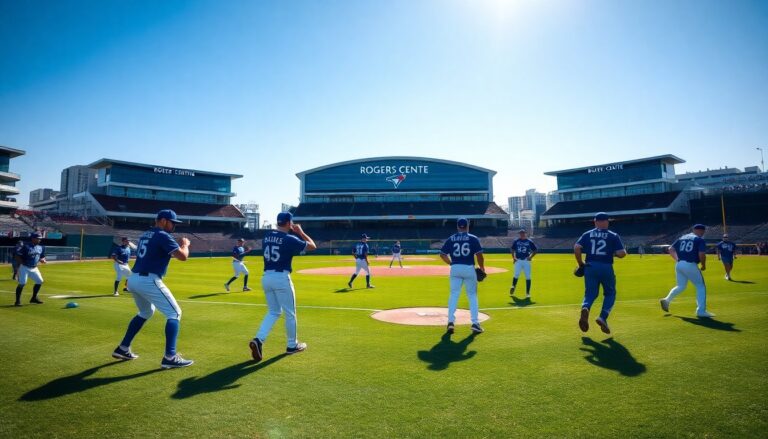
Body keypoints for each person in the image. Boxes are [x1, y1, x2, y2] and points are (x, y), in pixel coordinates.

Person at [111, 209, 194, 369]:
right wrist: (185, 245)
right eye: (172, 223)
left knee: (146, 312)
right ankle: (170, 356)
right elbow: (183, 256)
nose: (174, 226)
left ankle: (123, 348)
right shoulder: (162, 235)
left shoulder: (146, 234)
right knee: (175, 313)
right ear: (163, 220)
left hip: (134, 278)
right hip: (148, 279)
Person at [249, 212, 317, 362]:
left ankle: (259, 340)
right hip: (281, 278)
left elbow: (276, 239)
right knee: (290, 313)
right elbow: (313, 246)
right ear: (289, 223)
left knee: (273, 311)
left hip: (266, 277)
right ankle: (292, 345)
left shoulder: (267, 236)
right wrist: (301, 232)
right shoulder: (289, 238)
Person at [574, 212, 627, 334]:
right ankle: (602, 317)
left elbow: (577, 247)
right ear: (606, 222)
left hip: (590, 266)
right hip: (606, 266)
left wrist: (581, 263)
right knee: (610, 293)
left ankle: (585, 307)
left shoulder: (587, 234)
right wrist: (613, 253)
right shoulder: (613, 235)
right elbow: (622, 253)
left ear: (595, 222)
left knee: (590, 293)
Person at [439, 218, 485, 334]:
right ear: (467, 226)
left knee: (454, 294)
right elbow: (479, 255)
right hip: (469, 268)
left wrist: (450, 263)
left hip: (455, 268)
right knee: (472, 295)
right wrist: (482, 268)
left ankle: (450, 322)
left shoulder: (451, 238)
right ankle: (475, 323)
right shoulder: (473, 238)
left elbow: (442, 254)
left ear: (458, 226)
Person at [659, 224, 715, 318]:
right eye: (703, 231)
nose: (703, 233)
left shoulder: (682, 237)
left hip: (679, 264)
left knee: (680, 286)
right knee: (700, 286)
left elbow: (670, 249)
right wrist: (703, 265)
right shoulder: (699, 239)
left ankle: (667, 300)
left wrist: (677, 259)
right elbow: (701, 254)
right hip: (690, 264)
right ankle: (701, 311)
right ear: (700, 230)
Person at [14, 232, 46, 306]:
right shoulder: (26, 246)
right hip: (24, 267)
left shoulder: (41, 247)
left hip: (34, 268)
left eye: (40, 239)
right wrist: (22, 263)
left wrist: (43, 260)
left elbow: (42, 256)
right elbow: (17, 256)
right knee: (22, 283)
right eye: (38, 239)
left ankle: (34, 298)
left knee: (40, 281)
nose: (39, 240)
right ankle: (17, 301)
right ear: (33, 238)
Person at [509, 229, 537, 299]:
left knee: (528, 276)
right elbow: (512, 249)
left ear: (525, 233)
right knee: (516, 274)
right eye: (521, 233)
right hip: (518, 260)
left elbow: (535, 250)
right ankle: (513, 286)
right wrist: (514, 257)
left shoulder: (529, 241)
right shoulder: (516, 241)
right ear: (519, 234)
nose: (522, 234)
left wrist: (530, 257)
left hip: (526, 260)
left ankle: (528, 293)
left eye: (523, 233)